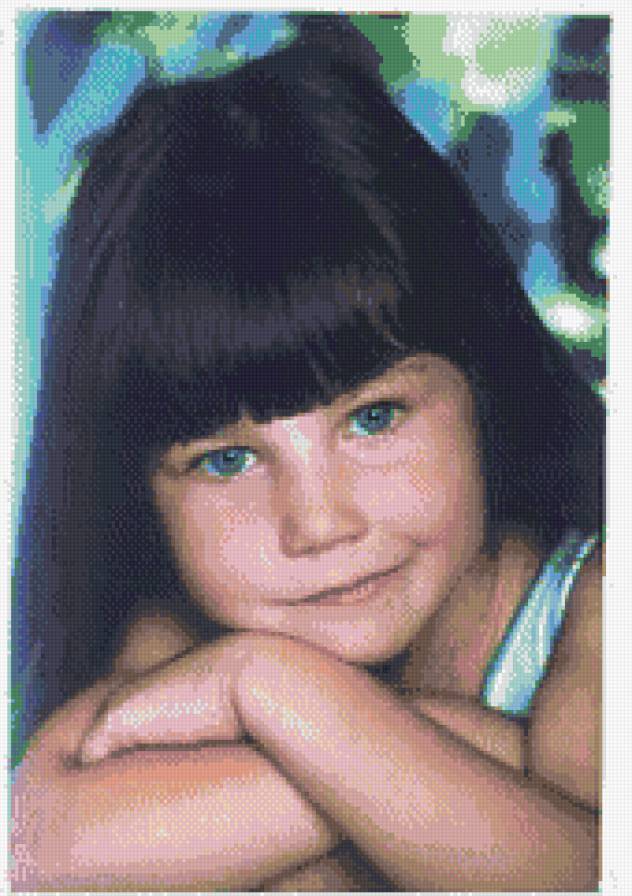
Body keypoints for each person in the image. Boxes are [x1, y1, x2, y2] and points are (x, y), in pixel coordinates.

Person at [11, 15, 603, 891]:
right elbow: (43, 848)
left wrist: (265, 689)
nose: (320, 525)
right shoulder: (180, 632)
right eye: (226, 461)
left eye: (375, 418)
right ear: (137, 492)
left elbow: (581, 871)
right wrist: (459, 746)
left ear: (483, 386)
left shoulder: (597, 603)